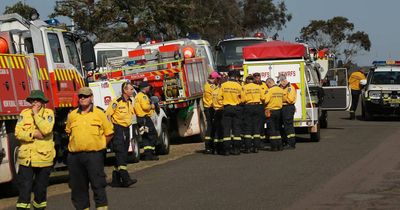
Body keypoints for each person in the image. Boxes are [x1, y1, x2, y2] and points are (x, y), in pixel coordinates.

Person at [65, 87, 114, 210]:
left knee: (98, 185)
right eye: (80, 96)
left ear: (91, 98)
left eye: (85, 96)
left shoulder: (99, 114)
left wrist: (101, 145)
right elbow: (68, 132)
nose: (82, 98)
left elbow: (109, 133)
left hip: (94, 156)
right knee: (78, 188)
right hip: (75, 157)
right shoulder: (72, 115)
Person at [15, 90, 55, 210]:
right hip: (27, 159)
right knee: (24, 188)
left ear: (42, 102)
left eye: (37, 100)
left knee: (40, 190)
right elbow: (18, 133)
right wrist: (32, 134)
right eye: (33, 100)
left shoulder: (49, 113)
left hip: (43, 158)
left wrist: (36, 114)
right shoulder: (24, 113)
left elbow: (47, 129)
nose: (35, 102)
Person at [106, 82, 137, 187]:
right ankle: (126, 178)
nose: (133, 91)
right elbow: (108, 115)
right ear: (125, 90)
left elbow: (133, 113)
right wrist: (111, 129)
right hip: (118, 129)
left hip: (126, 129)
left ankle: (115, 180)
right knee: (121, 153)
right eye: (131, 89)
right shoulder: (117, 101)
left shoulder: (129, 101)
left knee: (123, 152)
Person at [218, 70, 243, 155]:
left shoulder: (223, 85)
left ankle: (227, 150)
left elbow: (218, 98)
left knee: (226, 129)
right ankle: (236, 149)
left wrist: (223, 105)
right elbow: (243, 98)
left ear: (228, 77)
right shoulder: (238, 86)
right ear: (236, 77)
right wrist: (238, 102)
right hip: (236, 108)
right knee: (236, 129)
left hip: (226, 108)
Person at [134, 81, 159, 161]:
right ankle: (151, 153)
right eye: (148, 87)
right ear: (145, 87)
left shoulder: (138, 95)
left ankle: (148, 155)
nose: (149, 88)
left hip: (140, 119)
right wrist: (152, 106)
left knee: (145, 137)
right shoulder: (143, 96)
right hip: (145, 119)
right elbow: (145, 107)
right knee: (153, 134)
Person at [241, 75, 264, 153]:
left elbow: (243, 99)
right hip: (257, 106)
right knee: (256, 127)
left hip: (248, 107)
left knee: (248, 127)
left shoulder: (244, 87)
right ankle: (256, 147)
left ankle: (248, 147)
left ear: (247, 80)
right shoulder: (258, 87)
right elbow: (263, 98)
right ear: (253, 80)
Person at [263, 78, 284, 151]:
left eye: (267, 84)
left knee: (271, 129)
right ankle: (280, 145)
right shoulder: (280, 90)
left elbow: (266, 101)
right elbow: (283, 100)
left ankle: (274, 146)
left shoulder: (269, 91)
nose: (267, 86)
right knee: (278, 129)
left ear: (269, 83)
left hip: (270, 111)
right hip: (279, 111)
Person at [202, 71, 219, 154]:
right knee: (210, 127)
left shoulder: (207, 85)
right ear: (214, 78)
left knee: (210, 127)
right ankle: (208, 146)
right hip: (210, 108)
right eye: (217, 78)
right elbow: (214, 97)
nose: (218, 80)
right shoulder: (210, 87)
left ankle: (209, 146)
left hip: (208, 108)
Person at [278, 75, 297, 150]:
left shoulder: (290, 88)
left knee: (288, 126)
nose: (280, 84)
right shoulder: (280, 88)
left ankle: (291, 143)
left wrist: (281, 99)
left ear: (284, 81)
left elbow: (290, 100)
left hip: (288, 107)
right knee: (283, 126)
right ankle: (285, 141)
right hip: (282, 108)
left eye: (280, 82)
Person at [253, 73, 269, 145]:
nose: (257, 78)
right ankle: (256, 140)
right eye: (255, 77)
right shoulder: (252, 85)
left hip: (262, 106)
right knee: (254, 124)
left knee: (261, 123)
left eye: (258, 77)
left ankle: (262, 140)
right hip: (254, 106)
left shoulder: (264, 85)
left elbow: (268, 93)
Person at [212, 76, 224, 154]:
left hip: (215, 111)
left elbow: (213, 102)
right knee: (222, 130)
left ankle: (215, 148)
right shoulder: (222, 91)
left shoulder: (214, 91)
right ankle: (221, 148)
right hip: (222, 110)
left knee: (216, 130)